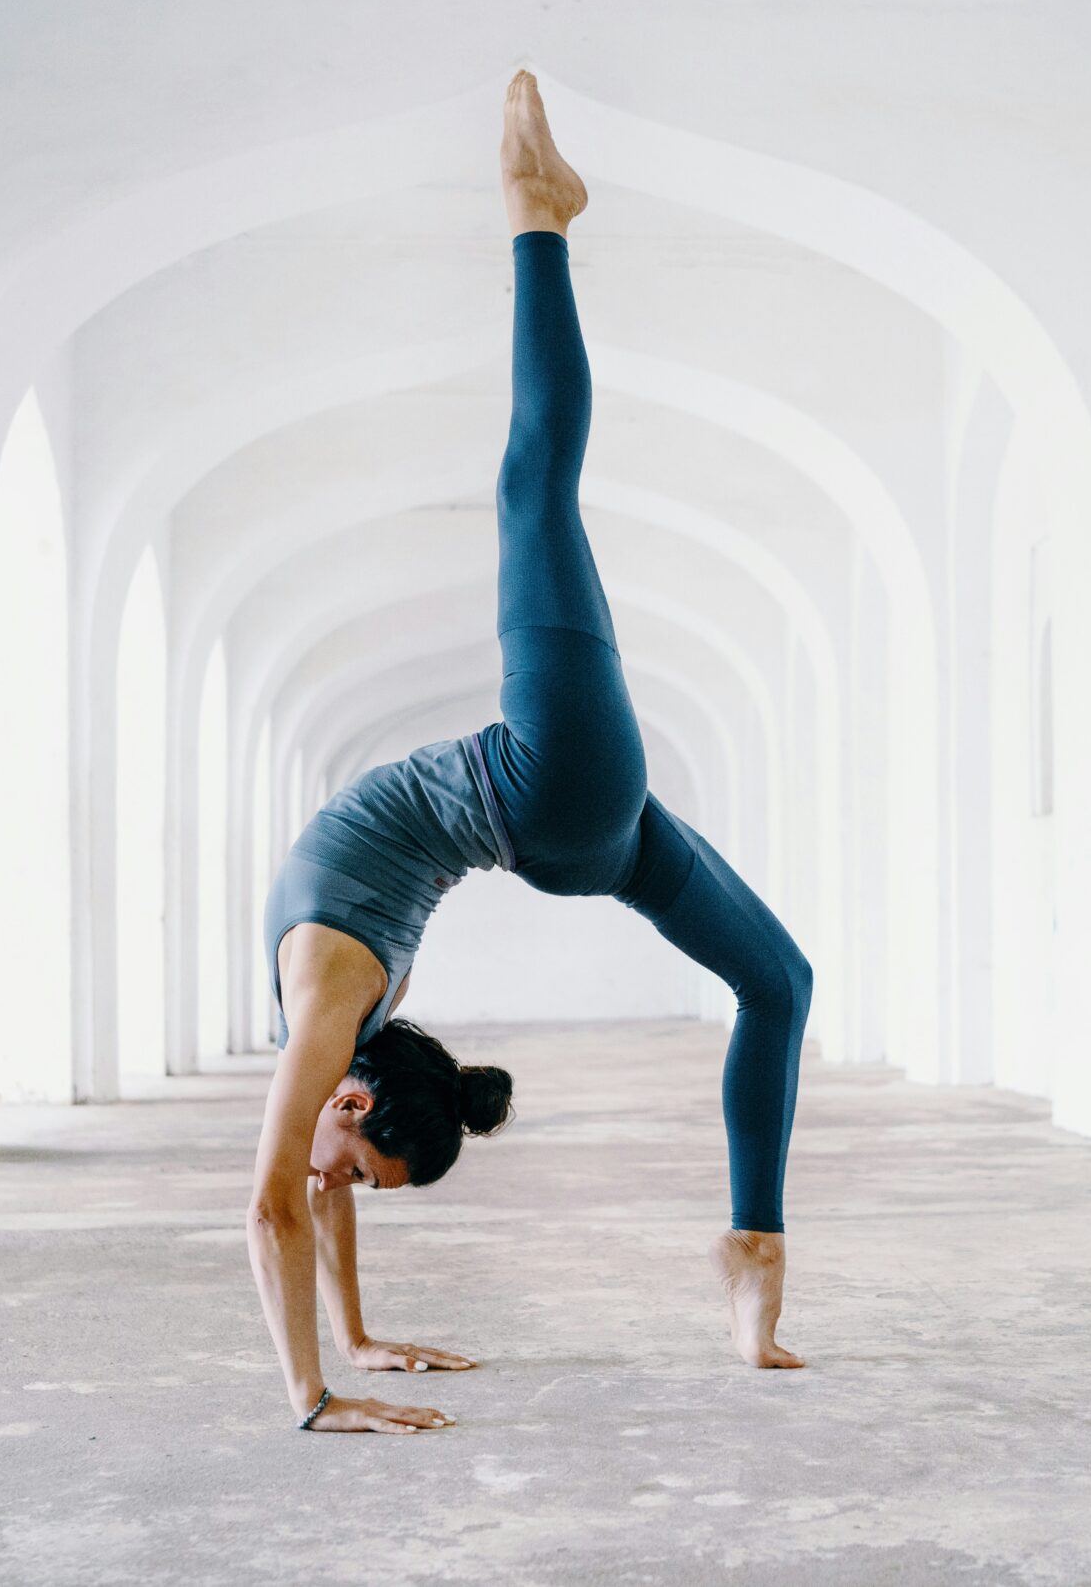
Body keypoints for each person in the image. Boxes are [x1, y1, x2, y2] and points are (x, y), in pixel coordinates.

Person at [245, 70, 815, 1435]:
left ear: (357, 1094)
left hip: (560, 797)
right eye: (369, 1174)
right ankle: (537, 219)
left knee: (779, 981)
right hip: (560, 804)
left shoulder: (329, 1005)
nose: (342, 1182)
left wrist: (321, 1391)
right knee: (531, 490)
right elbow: (315, 1185)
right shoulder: (344, 1045)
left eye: (361, 1171)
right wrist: (357, 1347)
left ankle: (535, 216)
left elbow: (272, 1199)